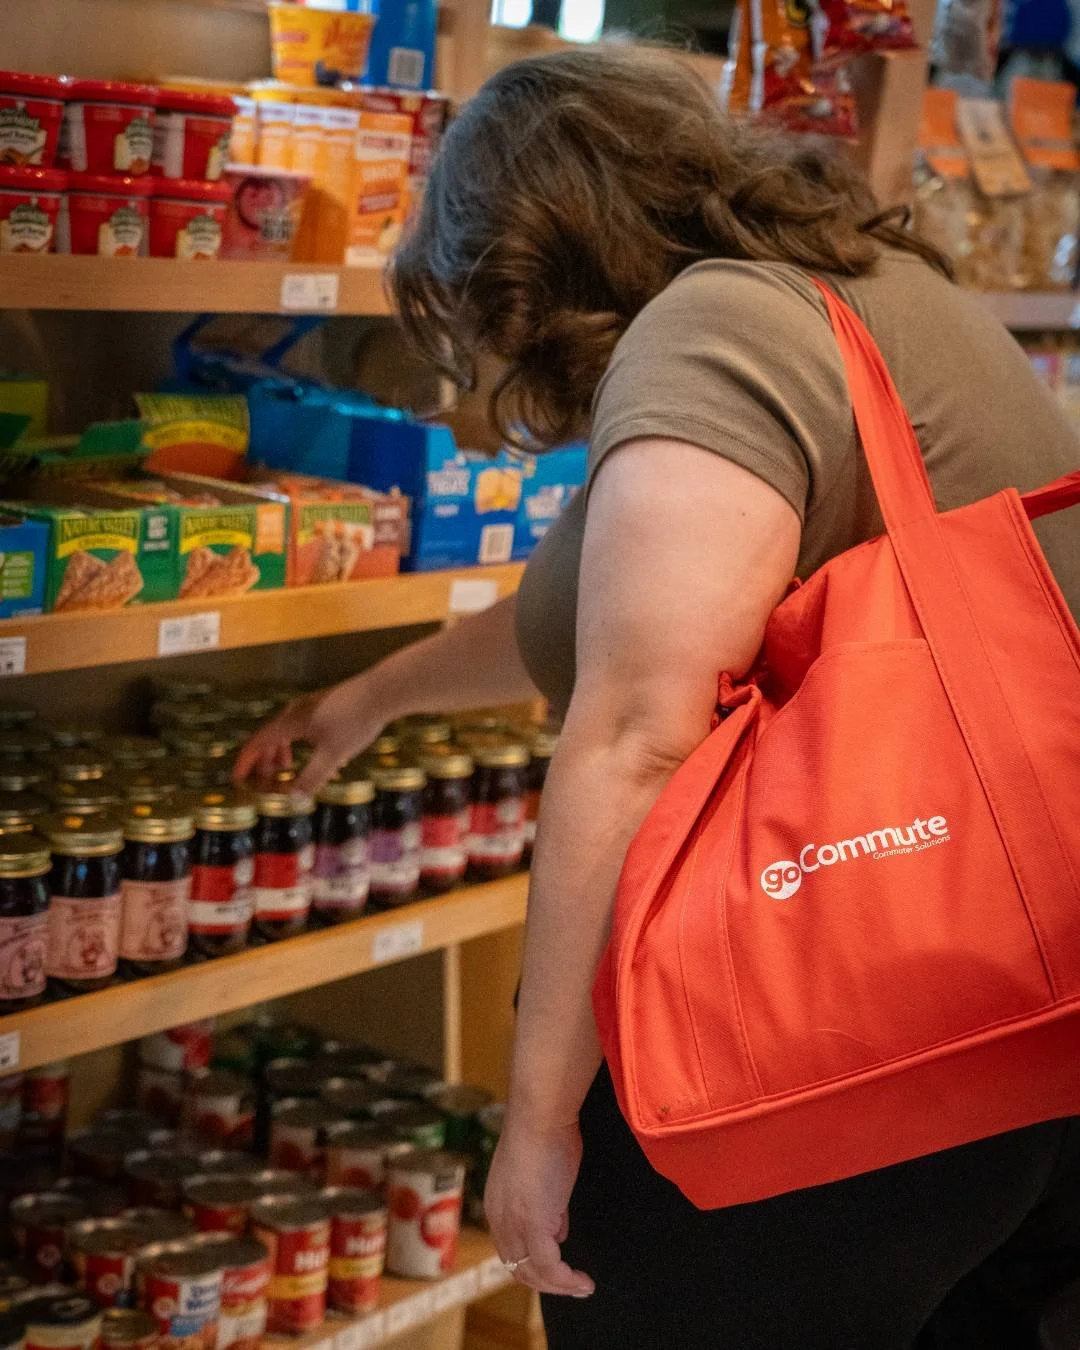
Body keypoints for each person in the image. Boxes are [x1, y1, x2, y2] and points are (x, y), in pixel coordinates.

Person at [236, 47, 1080, 1349]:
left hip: (840, 1043)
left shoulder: (715, 327)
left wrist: (536, 1115)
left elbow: (635, 731)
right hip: (998, 1015)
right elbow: (612, 609)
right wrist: (376, 697)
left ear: (529, 264)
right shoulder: (854, 287)